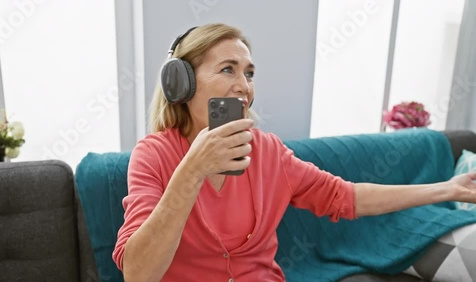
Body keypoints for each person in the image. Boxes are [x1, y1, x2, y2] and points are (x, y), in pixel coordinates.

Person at [113, 23, 476, 282]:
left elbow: (346, 196)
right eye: (228, 69)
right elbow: (139, 273)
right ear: (182, 84)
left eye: (250, 73)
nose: (244, 86)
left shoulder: (268, 153)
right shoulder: (154, 156)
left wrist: (448, 188)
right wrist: (191, 171)